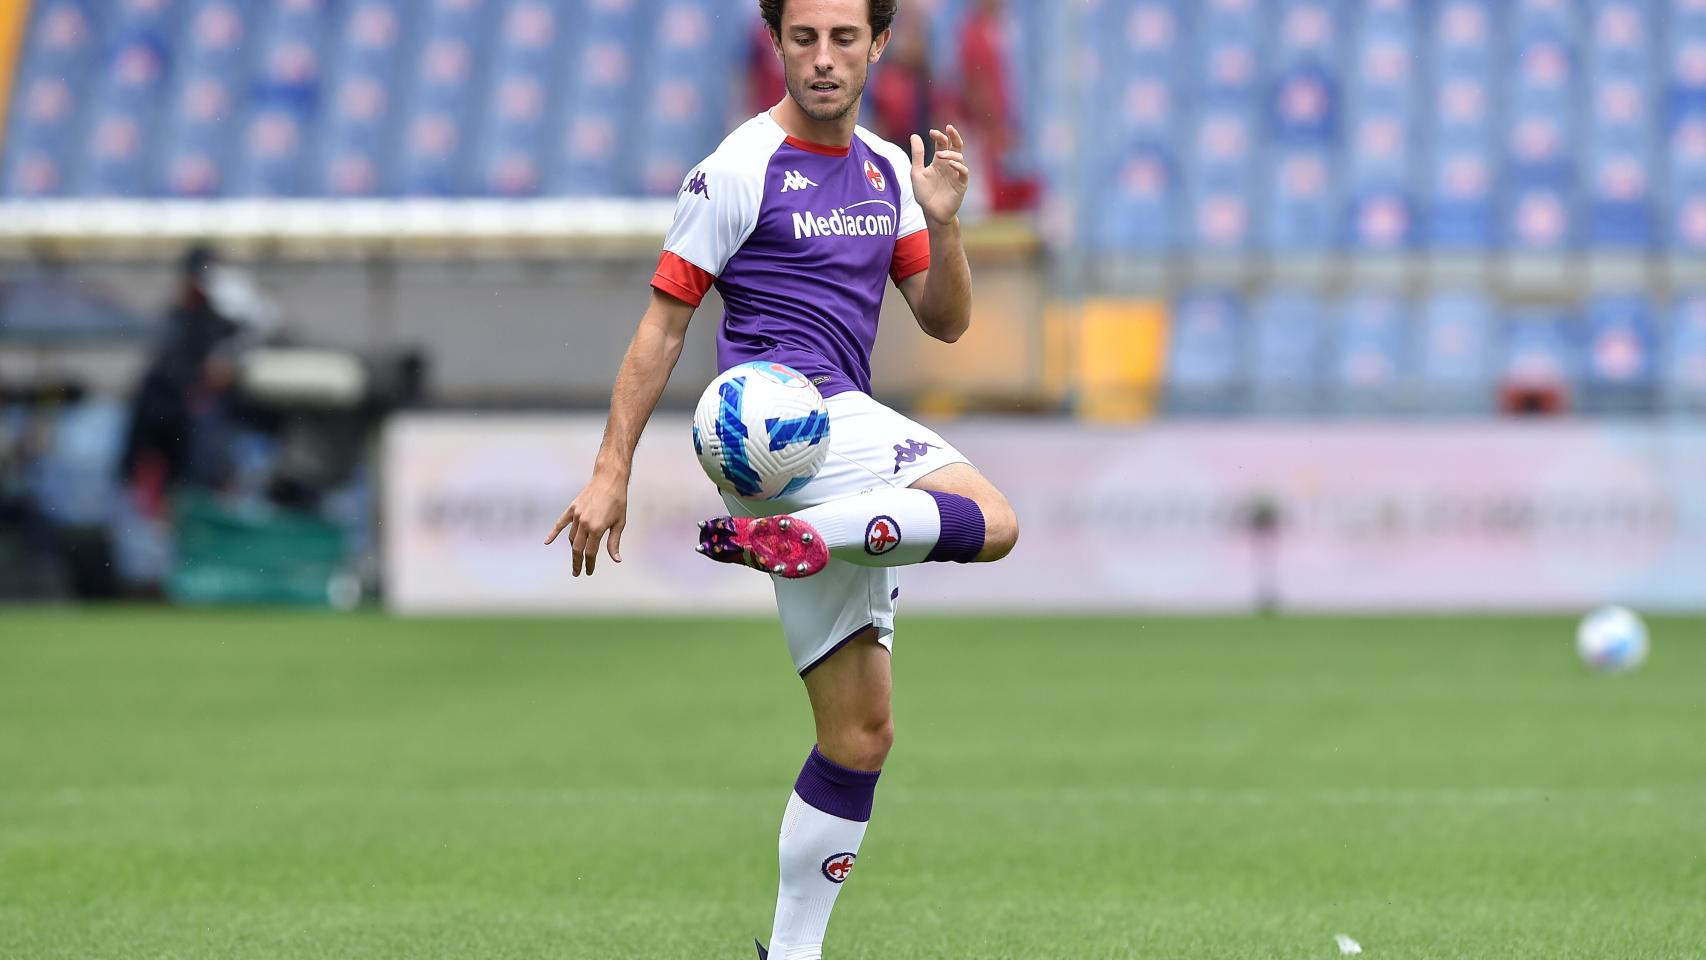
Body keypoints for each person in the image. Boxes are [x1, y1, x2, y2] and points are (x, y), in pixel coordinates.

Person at [543, 1, 1019, 956]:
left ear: (878, 45)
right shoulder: (736, 168)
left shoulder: (887, 172)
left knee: (858, 736)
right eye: (804, 38)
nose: (824, 58)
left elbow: (946, 321)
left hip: (791, 472)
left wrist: (945, 226)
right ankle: (813, 534)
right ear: (778, 44)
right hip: (779, 422)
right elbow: (663, 327)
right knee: (993, 519)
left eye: (844, 38)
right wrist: (610, 470)